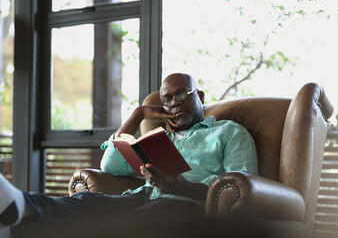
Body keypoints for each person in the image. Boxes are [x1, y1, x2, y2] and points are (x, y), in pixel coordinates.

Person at [0, 73, 257, 238]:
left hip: (186, 205)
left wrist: (182, 187)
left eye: (182, 94)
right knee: (85, 204)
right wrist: (138, 114)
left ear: (199, 96)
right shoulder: (158, 139)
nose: (175, 102)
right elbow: (109, 164)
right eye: (167, 99)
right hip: (142, 196)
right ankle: (19, 206)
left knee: (117, 224)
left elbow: (244, 190)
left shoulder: (229, 132)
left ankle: (19, 227)